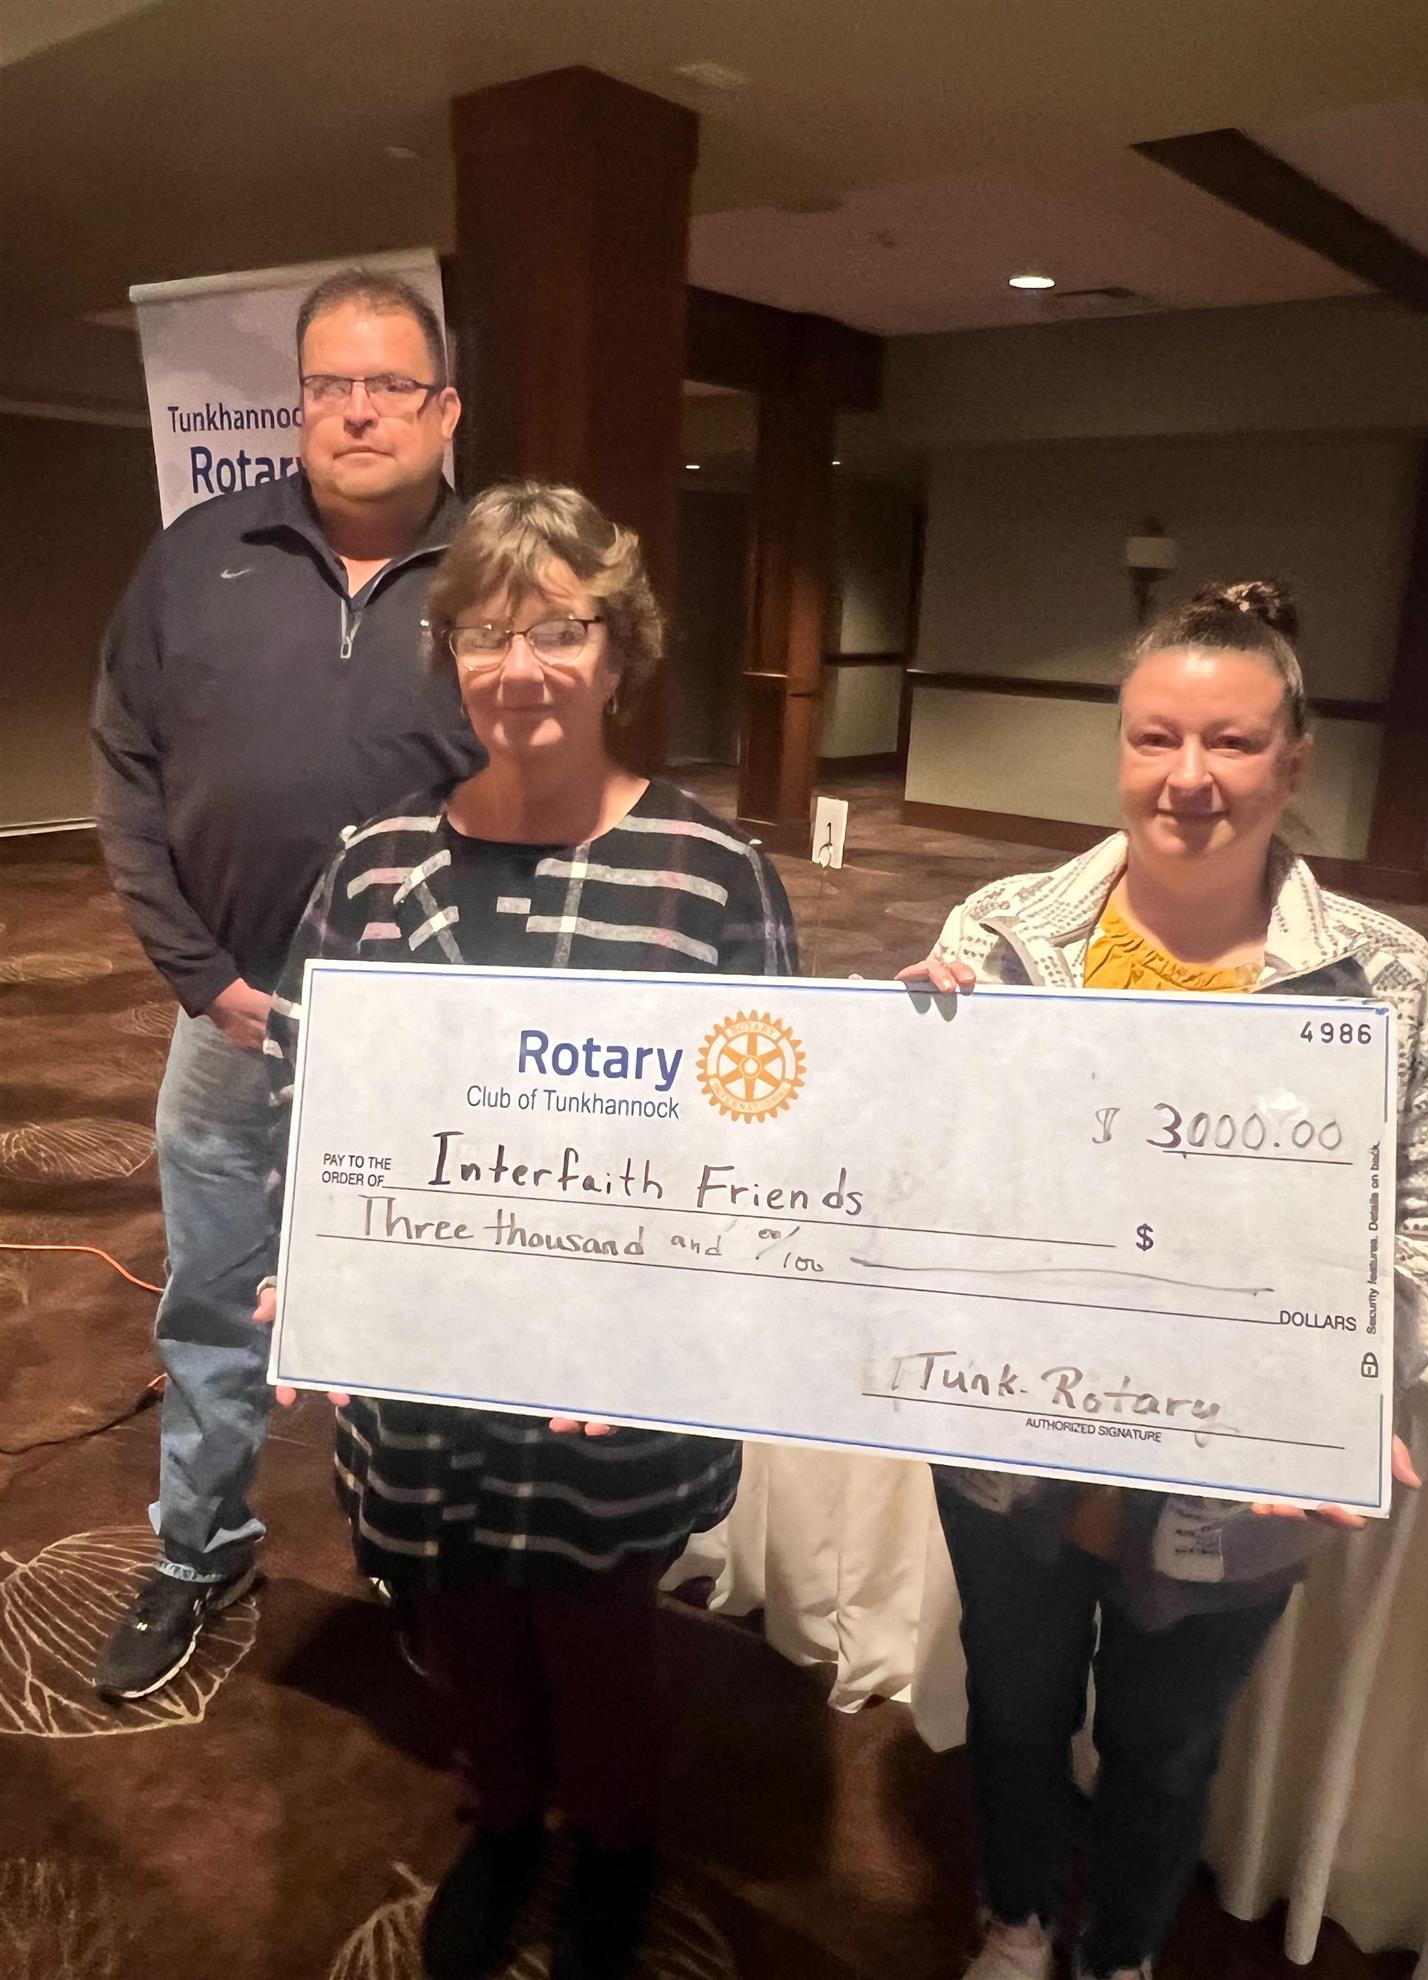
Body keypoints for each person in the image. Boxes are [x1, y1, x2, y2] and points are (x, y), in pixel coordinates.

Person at [900, 582, 1428, 1980]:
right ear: (1118, 746)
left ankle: (1121, 1953)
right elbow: (917, 1186)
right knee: (1015, 1706)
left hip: (1235, 1472)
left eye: (1230, 742)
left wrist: (1340, 1381)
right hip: (1012, 1438)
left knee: (1166, 1747)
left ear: (1294, 759)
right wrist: (906, 1067)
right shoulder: (1003, 936)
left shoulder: (1380, 977)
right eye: (1155, 737)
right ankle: (1017, 1916)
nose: (1188, 776)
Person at [254, 481, 796, 1980]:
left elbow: (767, 1137)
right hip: (423, 1347)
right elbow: (307, 1086)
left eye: (558, 629)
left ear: (620, 653)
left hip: (612, 1360)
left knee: (599, 1626)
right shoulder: (377, 865)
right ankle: (498, 1821)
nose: (520, 666)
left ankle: (615, 1846)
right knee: (461, 1606)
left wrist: (685, 1325)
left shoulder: (711, 874)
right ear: (450, 659)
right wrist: (313, 1271)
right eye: (486, 634)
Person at [90, 268, 482, 1700]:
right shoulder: (199, 557)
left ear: (444, 409)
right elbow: (126, 767)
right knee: (210, 1303)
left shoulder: (502, 577)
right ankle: (199, 1548)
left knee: (420, 1311)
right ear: (299, 402)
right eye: (331, 384)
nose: (358, 410)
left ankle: (421, 1562)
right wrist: (200, 980)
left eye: (390, 385)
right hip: (235, 1020)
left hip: (431, 1037)